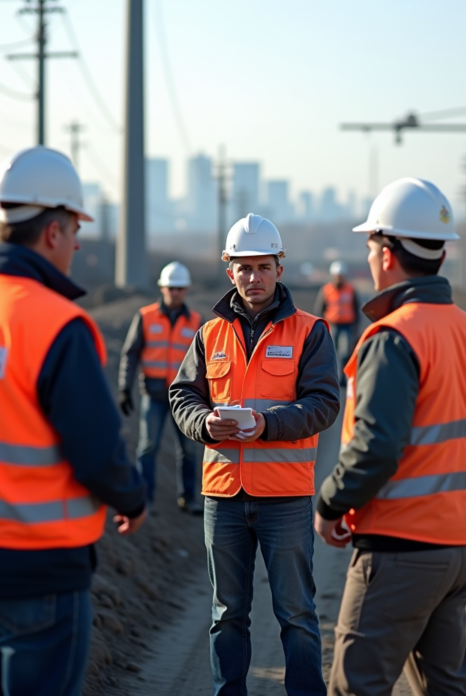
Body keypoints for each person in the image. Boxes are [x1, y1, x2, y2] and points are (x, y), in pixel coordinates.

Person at [0, 147, 147, 696]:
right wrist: (132, 500)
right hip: (37, 562)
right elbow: (97, 452)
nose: (78, 244)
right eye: (74, 231)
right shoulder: (58, 325)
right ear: (53, 233)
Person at [314, 177, 466, 696]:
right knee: (446, 688)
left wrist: (330, 504)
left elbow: (375, 447)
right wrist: (457, 499)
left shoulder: (392, 339)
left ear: (388, 253)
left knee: (355, 687)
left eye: (370, 245)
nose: (367, 257)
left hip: (397, 551)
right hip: (459, 549)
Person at [170, 213, 340, 696]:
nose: (253, 277)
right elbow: (182, 396)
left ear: (278, 269)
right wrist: (203, 423)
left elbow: (324, 403)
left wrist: (268, 425)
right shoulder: (208, 335)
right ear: (230, 272)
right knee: (227, 616)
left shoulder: (310, 332)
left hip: (285, 497)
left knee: (298, 616)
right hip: (222, 497)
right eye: (243, 268)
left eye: (262, 267)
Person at [118, 261, 203, 514]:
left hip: (185, 397)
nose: (174, 292)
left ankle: (188, 498)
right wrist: (125, 388)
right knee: (148, 447)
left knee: (188, 448)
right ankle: (146, 500)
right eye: (170, 288)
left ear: (185, 289)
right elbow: (130, 354)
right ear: (162, 288)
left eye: (179, 288)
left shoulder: (196, 321)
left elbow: (206, 362)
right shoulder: (145, 317)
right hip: (153, 394)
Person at [314, 260, 359, 385]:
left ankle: (342, 378)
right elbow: (320, 309)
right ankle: (333, 377)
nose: (339, 278)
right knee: (332, 351)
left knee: (344, 352)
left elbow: (356, 308)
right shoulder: (327, 290)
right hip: (332, 325)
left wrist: (356, 327)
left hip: (347, 325)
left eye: (341, 276)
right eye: (337, 276)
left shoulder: (350, 289)